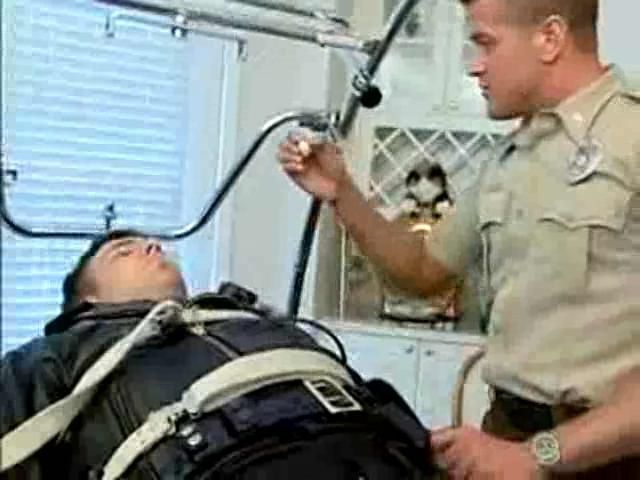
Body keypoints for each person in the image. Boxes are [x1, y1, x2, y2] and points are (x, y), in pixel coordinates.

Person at [277, 0, 640, 477]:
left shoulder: (632, 138)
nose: (474, 66)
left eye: (486, 43)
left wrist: (539, 455)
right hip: (507, 438)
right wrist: (342, 194)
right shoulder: (513, 155)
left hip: (609, 459)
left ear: (550, 38)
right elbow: (420, 272)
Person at [1, 229, 435, 479]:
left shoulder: (250, 321)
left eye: (151, 242)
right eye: (124, 251)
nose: (152, 246)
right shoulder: (55, 354)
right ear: (87, 299)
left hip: (376, 458)